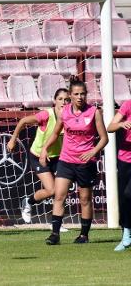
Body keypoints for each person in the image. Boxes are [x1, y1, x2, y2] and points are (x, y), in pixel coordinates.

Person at [40, 77, 108, 245]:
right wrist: (44, 149)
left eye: (83, 94)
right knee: (59, 195)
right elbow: (55, 133)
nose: (80, 97)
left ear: (86, 95)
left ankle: (84, 235)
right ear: (70, 95)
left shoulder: (94, 112)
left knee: (85, 199)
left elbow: (104, 138)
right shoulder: (65, 113)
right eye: (76, 94)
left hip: (86, 162)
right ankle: (55, 234)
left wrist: (92, 151)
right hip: (66, 160)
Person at [8, 88, 70, 224]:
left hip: (58, 157)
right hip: (38, 156)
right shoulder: (46, 115)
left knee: (61, 191)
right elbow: (23, 121)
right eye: (60, 99)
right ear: (55, 101)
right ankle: (28, 202)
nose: (64, 102)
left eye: (67, 99)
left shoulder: (71, 116)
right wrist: (13, 139)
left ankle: (57, 224)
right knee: (52, 189)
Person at [107, 99, 131, 251]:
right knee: (125, 198)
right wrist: (121, 124)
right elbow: (110, 127)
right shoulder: (127, 105)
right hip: (125, 160)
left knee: (129, 194)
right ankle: (126, 234)